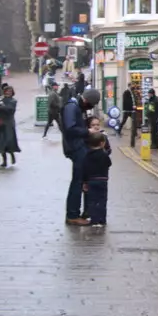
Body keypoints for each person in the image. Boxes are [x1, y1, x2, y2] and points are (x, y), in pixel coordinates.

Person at [61, 87, 99, 225]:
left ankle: (81, 212)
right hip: (76, 147)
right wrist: (87, 131)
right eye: (91, 104)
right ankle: (72, 214)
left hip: (78, 146)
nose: (90, 107)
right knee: (77, 182)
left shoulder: (77, 107)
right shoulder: (72, 107)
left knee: (81, 181)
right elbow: (70, 129)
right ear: (87, 100)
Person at [82, 132, 112, 227]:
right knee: (102, 200)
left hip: (91, 180)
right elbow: (109, 163)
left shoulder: (87, 155)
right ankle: (102, 220)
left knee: (92, 200)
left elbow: (85, 169)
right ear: (102, 143)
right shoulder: (104, 155)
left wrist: (85, 182)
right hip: (102, 180)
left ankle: (94, 220)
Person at [0, 84, 21, 167]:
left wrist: (1, 105)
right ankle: (4, 161)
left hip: (9, 124)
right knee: (1, 143)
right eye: (7, 91)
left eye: (10, 91)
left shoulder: (13, 101)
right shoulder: (1, 99)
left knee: (9, 141)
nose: (8, 93)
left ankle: (12, 154)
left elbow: (10, 110)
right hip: (0, 123)